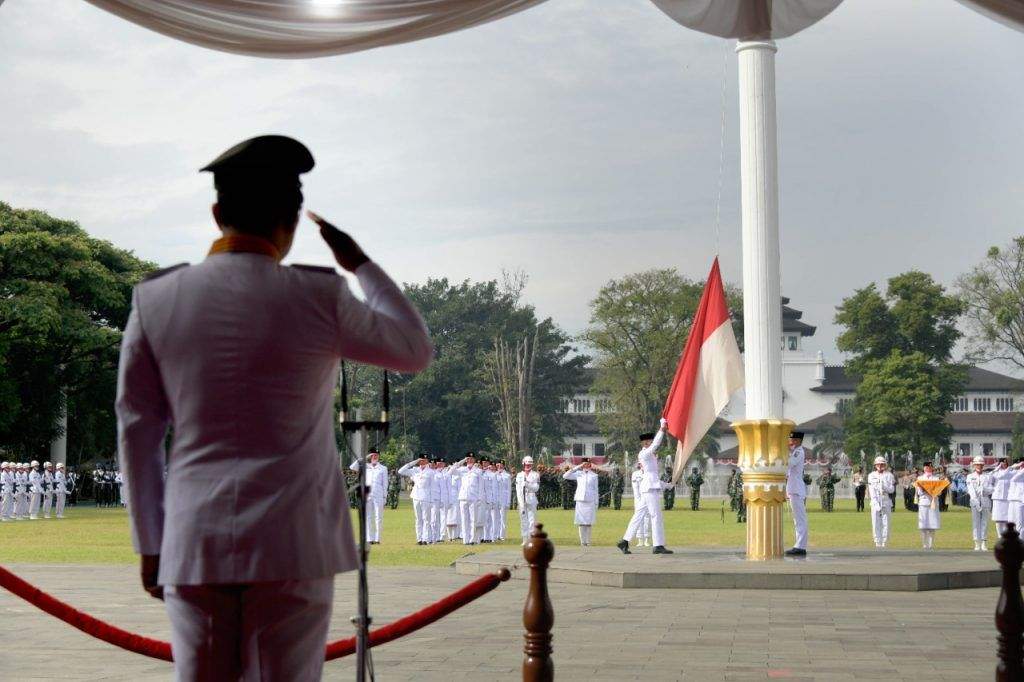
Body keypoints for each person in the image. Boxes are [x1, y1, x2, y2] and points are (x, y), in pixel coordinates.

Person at [115, 135, 432, 681]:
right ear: (290, 222)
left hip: (196, 537)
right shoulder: (320, 296)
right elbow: (413, 349)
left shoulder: (158, 298)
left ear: (218, 214)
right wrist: (361, 264)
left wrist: (150, 541)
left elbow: (138, 432)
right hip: (295, 536)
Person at [618, 418, 673, 555]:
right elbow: (656, 445)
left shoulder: (650, 456)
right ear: (645, 443)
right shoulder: (645, 453)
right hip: (649, 489)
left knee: (638, 515)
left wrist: (668, 485)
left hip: (649, 487)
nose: (652, 443)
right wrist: (661, 429)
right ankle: (658, 545)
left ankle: (624, 541)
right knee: (656, 516)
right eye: (649, 441)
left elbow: (653, 476)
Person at [348, 448, 388, 544]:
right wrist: (365, 457)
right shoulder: (365, 466)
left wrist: (384, 497)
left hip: (378, 494)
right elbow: (352, 467)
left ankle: (377, 538)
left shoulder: (383, 468)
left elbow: (385, 483)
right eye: (373, 455)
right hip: (367, 495)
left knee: (379, 517)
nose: (375, 457)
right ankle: (370, 538)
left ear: (379, 457)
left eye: (376, 455)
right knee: (368, 517)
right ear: (370, 456)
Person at [398, 454, 434, 545]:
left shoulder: (430, 472)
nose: (422, 462)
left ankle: (426, 538)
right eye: (421, 460)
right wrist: (413, 462)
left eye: (424, 460)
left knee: (426, 519)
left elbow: (433, 487)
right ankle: (419, 539)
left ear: (427, 461)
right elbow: (400, 471)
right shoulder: (415, 470)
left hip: (426, 497)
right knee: (418, 519)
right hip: (416, 496)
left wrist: (432, 499)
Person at [563, 458, 599, 546]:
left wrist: (596, 502)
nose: (586, 465)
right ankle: (582, 542)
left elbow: (596, 489)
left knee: (589, 522)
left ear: (590, 465)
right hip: (580, 500)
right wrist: (577, 467)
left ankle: (588, 541)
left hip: (590, 500)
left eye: (588, 464)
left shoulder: (594, 475)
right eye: (585, 464)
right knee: (581, 521)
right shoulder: (578, 474)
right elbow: (565, 476)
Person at [785, 431, 808, 556]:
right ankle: (798, 545)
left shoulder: (799, 452)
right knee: (797, 519)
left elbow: (789, 463)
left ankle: (800, 546)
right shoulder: (795, 452)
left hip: (796, 490)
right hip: (793, 489)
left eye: (792, 440)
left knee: (800, 519)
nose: (790, 442)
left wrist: (785, 451)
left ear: (798, 441)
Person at [452, 453, 482, 545]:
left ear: (474, 460)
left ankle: (473, 539)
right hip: (463, 497)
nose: (469, 461)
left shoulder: (478, 471)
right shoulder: (462, 470)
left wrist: (479, 499)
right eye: (468, 459)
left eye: (471, 459)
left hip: (473, 498)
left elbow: (481, 486)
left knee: (473, 519)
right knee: (464, 519)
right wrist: (462, 461)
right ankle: (466, 539)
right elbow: (451, 471)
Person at [966, 456, 994, 551]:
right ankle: (977, 542)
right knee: (976, 522)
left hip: (985, 501)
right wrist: (975, 501)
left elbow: (992, 489)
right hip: (975, 502)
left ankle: (984, 542)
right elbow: (971, 490)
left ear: (983, 465)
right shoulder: (970, 476)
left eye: (981, 464)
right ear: (974, 465)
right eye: (977, 464)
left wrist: (985, 489)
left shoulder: (987, 476)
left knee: (985, 522)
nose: (979, 466)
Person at [867, 456, 895, 548]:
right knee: (875, 522)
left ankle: (884, 542)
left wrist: (883, 486)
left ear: (885, 465)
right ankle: (877, 542)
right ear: (875, 465)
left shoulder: (889, 475)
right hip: (875, 501)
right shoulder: (871, 475)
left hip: (886, 500)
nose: (880, 466)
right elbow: (871, 490)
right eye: (878, 464)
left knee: (886, 522)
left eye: (882, 464)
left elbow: (891, 490)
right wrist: (875, 502)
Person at [915, 462, 944, 549]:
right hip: (923, 502)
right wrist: (925, 489)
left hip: (933, 502)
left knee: (932, 524)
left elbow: (939, 492)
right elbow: (919, 492)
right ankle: (924, 544)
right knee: (923, 525)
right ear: (924, 468)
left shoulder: (936, 479)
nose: (928, 469)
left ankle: (931, 545)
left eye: (930, 467)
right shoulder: (920, 478)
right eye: (926, 467)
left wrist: (933, 491)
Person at [515, 456, 540, 545]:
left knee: (532, 520)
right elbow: (518, 490)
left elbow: (536, 488)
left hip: (531, 499)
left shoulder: (535, 474)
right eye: (526, 464)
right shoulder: (519, 475)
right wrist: (520, 502)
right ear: (523, 464)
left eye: (530, 464)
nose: (528, 466)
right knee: (523, 520)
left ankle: (531, 539)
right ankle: (524, 539)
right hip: (522, 500)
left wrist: (527, 484)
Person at [630, 461, 651, 548]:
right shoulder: (635, 474)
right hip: (639, 500)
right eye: (640, 464)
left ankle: (646, 539)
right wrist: (639, 501)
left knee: (647, 519)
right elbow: (635, 489)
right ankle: (640, 540)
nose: (642, 465)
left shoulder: (649, 473)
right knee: (639, 519)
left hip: (648, 499)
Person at [991, 458, 1013, 536]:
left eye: (1005, 463)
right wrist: (996, 469)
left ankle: (1005, 536)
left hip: (1007, 498)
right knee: (998, 519)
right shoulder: (995, 473)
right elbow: (990, 478)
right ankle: (1000, 536)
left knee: (1006, 519)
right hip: (997, 498)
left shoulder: (1011, 473)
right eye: (1002, 462)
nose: (1003, 464)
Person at [495, 461, 511, 542]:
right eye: (498, 465)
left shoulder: (507, 476)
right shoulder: (494, 474)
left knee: (502, 518)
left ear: (504, 466)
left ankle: (502, 535)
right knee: (495, 518)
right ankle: (495, 534)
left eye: (501, 465)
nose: (499, 467)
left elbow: (509, 489)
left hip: (503, 499)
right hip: (495, 499)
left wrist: (508, 501)